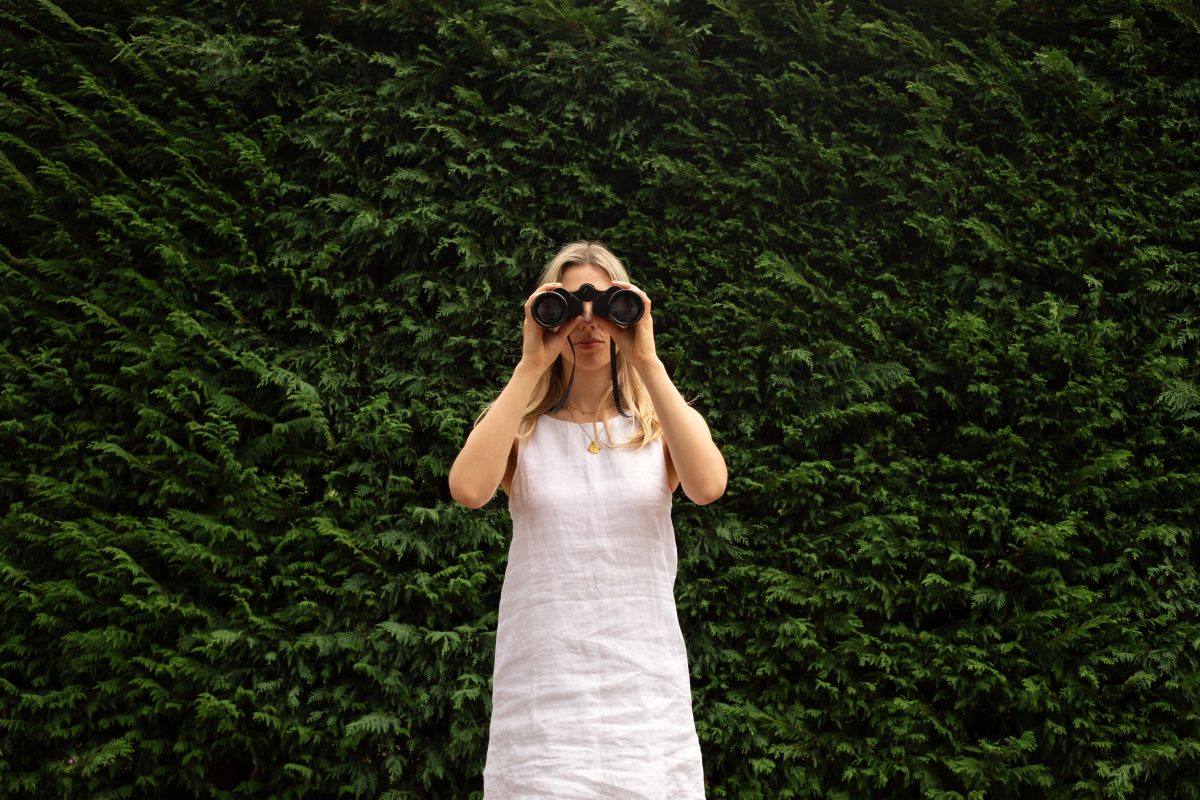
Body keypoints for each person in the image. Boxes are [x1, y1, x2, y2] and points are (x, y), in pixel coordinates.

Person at [449, 241, 727, 799]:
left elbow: (707, 486)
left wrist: (645, 358)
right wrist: (533, 362)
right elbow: (469, 489)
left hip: (641, 691)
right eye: (572, 305)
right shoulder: (523, 429)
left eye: (604, 304)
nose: (589, 322)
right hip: (544, 691)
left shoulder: (659, 426)